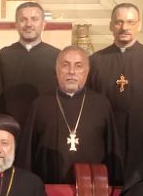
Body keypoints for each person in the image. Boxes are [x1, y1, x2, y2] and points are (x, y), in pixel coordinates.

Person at [87, 3, 143, 184]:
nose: (124, 27)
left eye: (130, 22)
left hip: (142, 135)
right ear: (111, 25)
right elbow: (87, 105)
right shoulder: (94, 62)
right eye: (118, 22)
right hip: (105, 137)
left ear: (139, 25)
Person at [20, 46, 121, 184]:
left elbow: (112, 149)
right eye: (65, 65)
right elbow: (27, 154)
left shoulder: (102, 104)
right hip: (48, 187)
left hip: (92, 190)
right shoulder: (40, 104)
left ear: (87, 72)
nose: (71, 72)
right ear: (56, 70)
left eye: (78, 66)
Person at [0, 2, 60, 126]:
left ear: (43, 24)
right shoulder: (3, 55)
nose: (29, 24)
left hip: (47, 123)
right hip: (11, 124)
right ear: (16, 24)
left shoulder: (57, 56)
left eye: (34, 19)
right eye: (23, 20)